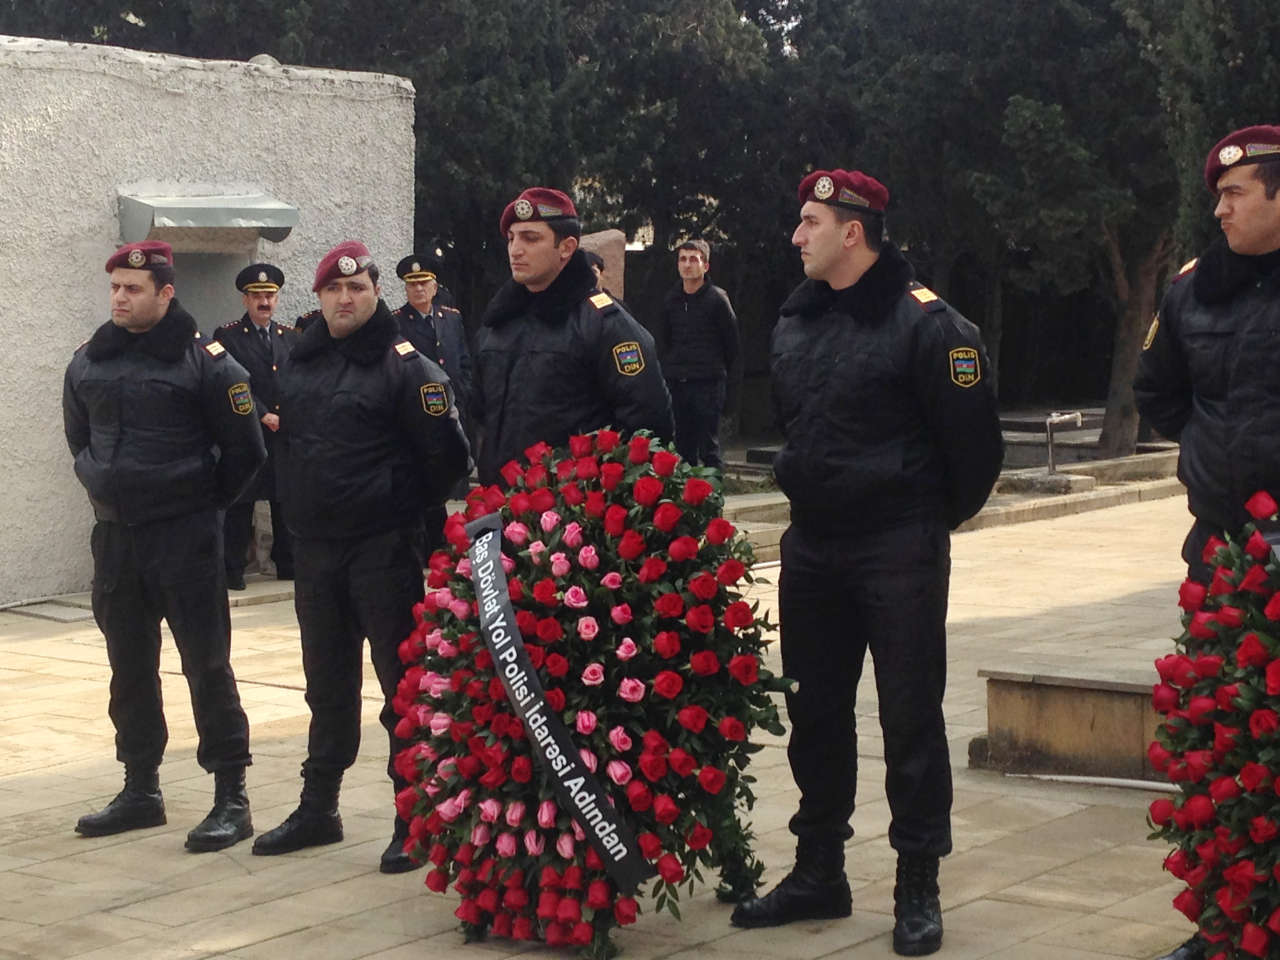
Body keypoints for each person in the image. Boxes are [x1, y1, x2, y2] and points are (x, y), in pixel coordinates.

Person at [729, 170, 1003, 956]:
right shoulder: (798, 319)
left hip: (898, 545)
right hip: (815, 544)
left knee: (909, 716)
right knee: (815, 714)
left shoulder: (931, 326)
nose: (796, 235)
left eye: (810, 221)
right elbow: (798, 424)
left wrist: (919, 519)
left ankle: (917, 881)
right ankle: (820, 869)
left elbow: (975, 453)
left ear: (853, 231)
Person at [252, 242, 469, 874]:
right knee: (326, 685)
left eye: (358, 288)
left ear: (376, 293)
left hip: (383, 550)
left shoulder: (408, 366)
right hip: (316, 551)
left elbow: (448, 460)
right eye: (334, 290)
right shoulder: (300, 360)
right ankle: (319, 808)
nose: (345, 299)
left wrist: (393, 504)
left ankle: (414, 818)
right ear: (319, 297)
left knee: (403, 687)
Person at [62, 240, 266, 852]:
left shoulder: (207, 363)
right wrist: (101, 481)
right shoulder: (89, 360)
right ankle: (140, 789)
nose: (120, 298)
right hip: (117, 537)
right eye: (115, 288)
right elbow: (79, 439)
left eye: (133, 288)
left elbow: (247, 451)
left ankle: (231, 796)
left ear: (166, 293)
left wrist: (200, 501)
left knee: (206, 665)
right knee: (128, 666)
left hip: (185, 537)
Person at [1135, 125, 1280, 960]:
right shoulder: (1192, 291)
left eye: (1235, 194)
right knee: (1220, 744)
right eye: (1217, 196)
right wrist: (1207, 447)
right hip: (1222, 550)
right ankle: (1225, 923)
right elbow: (1157, 391)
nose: (1219, 210)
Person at [473, 186, 673, 484]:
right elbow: (479, 415)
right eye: (512, 238)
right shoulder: (498, 323)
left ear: (566, 247)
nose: (515, 250)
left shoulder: (606, 325)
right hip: (500, 501)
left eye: (531, 238)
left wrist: (593, 492)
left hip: (570, 505)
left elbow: (648, 425)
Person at [214, 263, 297, 589]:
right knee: (242, 503)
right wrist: (262, 413)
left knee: (284, 500)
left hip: (282, 433)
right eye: (257, 296)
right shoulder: (229, 335)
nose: (264, 302)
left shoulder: (289, 337)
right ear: (245, 299)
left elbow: (296, 380)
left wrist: (288, 415)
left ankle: (288, 565)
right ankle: (231, 570)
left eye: (269, 295)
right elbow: (232, 382)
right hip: (247, 432)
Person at [393, 252, 475, 548]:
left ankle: (445, 538)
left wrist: (463, 392)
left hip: (452, 408)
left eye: (423, 283)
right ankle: (430, 541)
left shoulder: (451, 318)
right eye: (412, 284)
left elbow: (463, 359)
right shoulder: (397, 323)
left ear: (435, 285)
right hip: (420, 412)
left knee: (452, 472)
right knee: (426, 475)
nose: (418, 289)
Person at [657, 239, 740, 469]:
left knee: (709, 448)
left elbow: (732, 345)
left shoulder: (717, 299)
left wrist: (726, 384)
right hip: (677, 383)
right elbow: (665, 340)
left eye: (693, 259)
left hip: (708, 384)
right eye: (682, 259)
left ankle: (715, 490)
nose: (687, 265)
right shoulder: (670, 300)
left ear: (705, 265)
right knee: (682, 449)